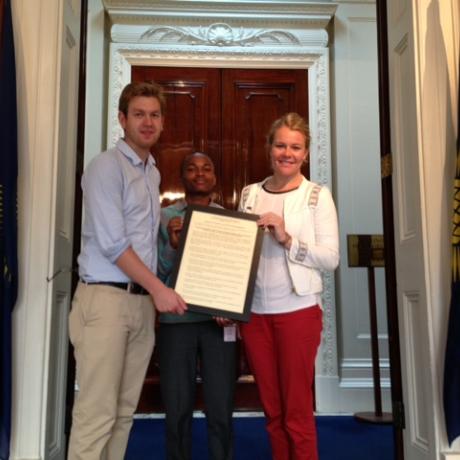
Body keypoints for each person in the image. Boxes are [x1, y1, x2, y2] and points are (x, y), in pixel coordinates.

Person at [67, 81, 187, 460]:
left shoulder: (151, 172)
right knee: (95, 414)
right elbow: (114, 244)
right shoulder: (106, 167)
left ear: (163, 122)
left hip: (139, 304)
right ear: (122, 119)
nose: (147, 122)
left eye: (154, 115)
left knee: (122, 413)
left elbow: (142, 243)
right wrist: (160, 290)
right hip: (106, 300)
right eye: (139, 114)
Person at [238, 112, 339, 460]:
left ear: (306, 154)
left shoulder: (316, 196)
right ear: (269, 148)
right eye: (280, 145)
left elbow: (331, 258)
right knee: (272, 410)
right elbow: (237, 256)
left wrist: (287, 239)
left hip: (298, 313)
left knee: (296, 411)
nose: (287, 153)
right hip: (255, 317)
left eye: (295, 147)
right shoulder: (249, 194)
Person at [157, 152, 237, 460]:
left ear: (215, 178)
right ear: (183, 178)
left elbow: (234, 272)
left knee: (221, 408)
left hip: (218, 325)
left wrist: (231, 310)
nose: (199, 173)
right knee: (177, 409)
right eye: (192, 168)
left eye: (206, 168)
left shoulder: (229, 220)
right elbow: (158, 274)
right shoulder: (165, 217)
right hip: (176, 323)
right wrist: (172, 246)